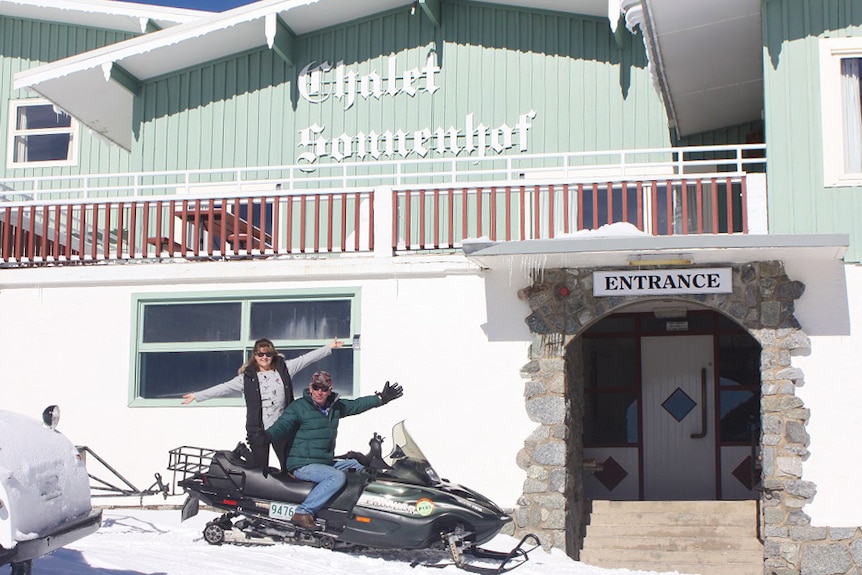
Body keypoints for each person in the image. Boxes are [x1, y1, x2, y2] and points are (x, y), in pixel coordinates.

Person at [265, 370, 403, 531]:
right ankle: (304, 512)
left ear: (330, 390)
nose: (319, 392)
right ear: (310, 388)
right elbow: (283, 424)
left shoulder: (334, 407)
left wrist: (381, 399)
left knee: (359, 465)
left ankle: (370, 506)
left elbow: (357, 405)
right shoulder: (299, 407)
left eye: (324, 389)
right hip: (302, 464)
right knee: (336, 477)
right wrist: (267, 436)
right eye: (316, 387)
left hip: (324, 462)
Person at [182, 337, 343, 470]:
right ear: (255, 355)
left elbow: (306, 359)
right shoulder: (247, 377)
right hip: (259, 429)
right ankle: (244, 452)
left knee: (288, 467)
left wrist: (329, 346)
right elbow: (224, 387)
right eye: (260, 354)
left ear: (273, 354)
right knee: (260, 470)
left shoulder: (284, 369)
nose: (264, 357)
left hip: (283, 428)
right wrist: (197, 396)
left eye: (268, 354)